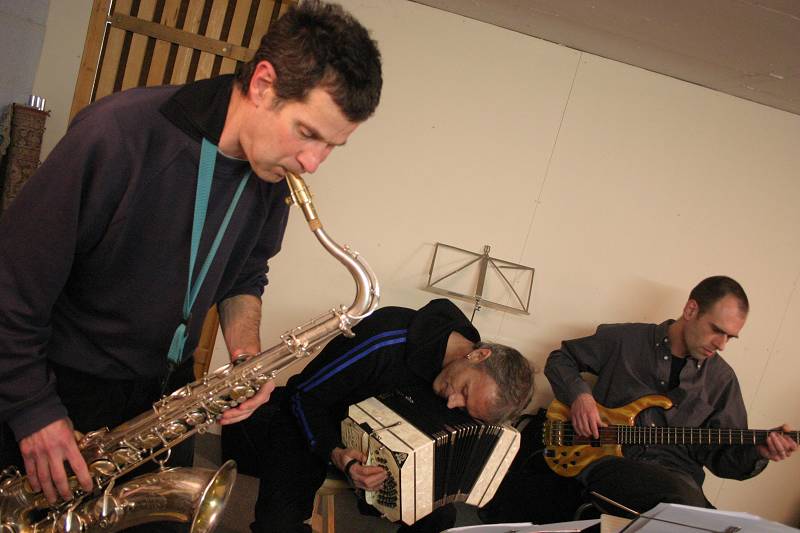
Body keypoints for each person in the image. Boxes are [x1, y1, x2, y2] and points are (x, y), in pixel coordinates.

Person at [0, 0, 382, 524]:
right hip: (59, 393)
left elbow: (246, 273)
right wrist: (32, 409)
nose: (313, 162)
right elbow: (10, 285)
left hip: (162, 401)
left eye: (332, 146)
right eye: (308, 133)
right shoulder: (117, 135)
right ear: (264, 84)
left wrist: (245, 353)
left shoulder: (273, 176)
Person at [222, 298, 534, 533]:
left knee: (441, 518)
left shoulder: (463, 377)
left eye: (465, 409)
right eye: (464, 391)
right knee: (276, 525)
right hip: (313, 421)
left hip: (381, 443)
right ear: (478, 354)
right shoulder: (385, 338)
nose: (452, 404)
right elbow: (304, 397)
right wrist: (339, 454)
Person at [544, 275, 797, 515]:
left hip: (679, 480)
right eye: (717, 330)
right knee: (682, 504)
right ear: (690, 310)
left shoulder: (721, 380)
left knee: (721, 524)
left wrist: (759, 452)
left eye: (730, 337)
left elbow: (723, 460)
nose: (721, 344)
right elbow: (560, 359)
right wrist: (580, 396)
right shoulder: (626, 339)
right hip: (607, 462)